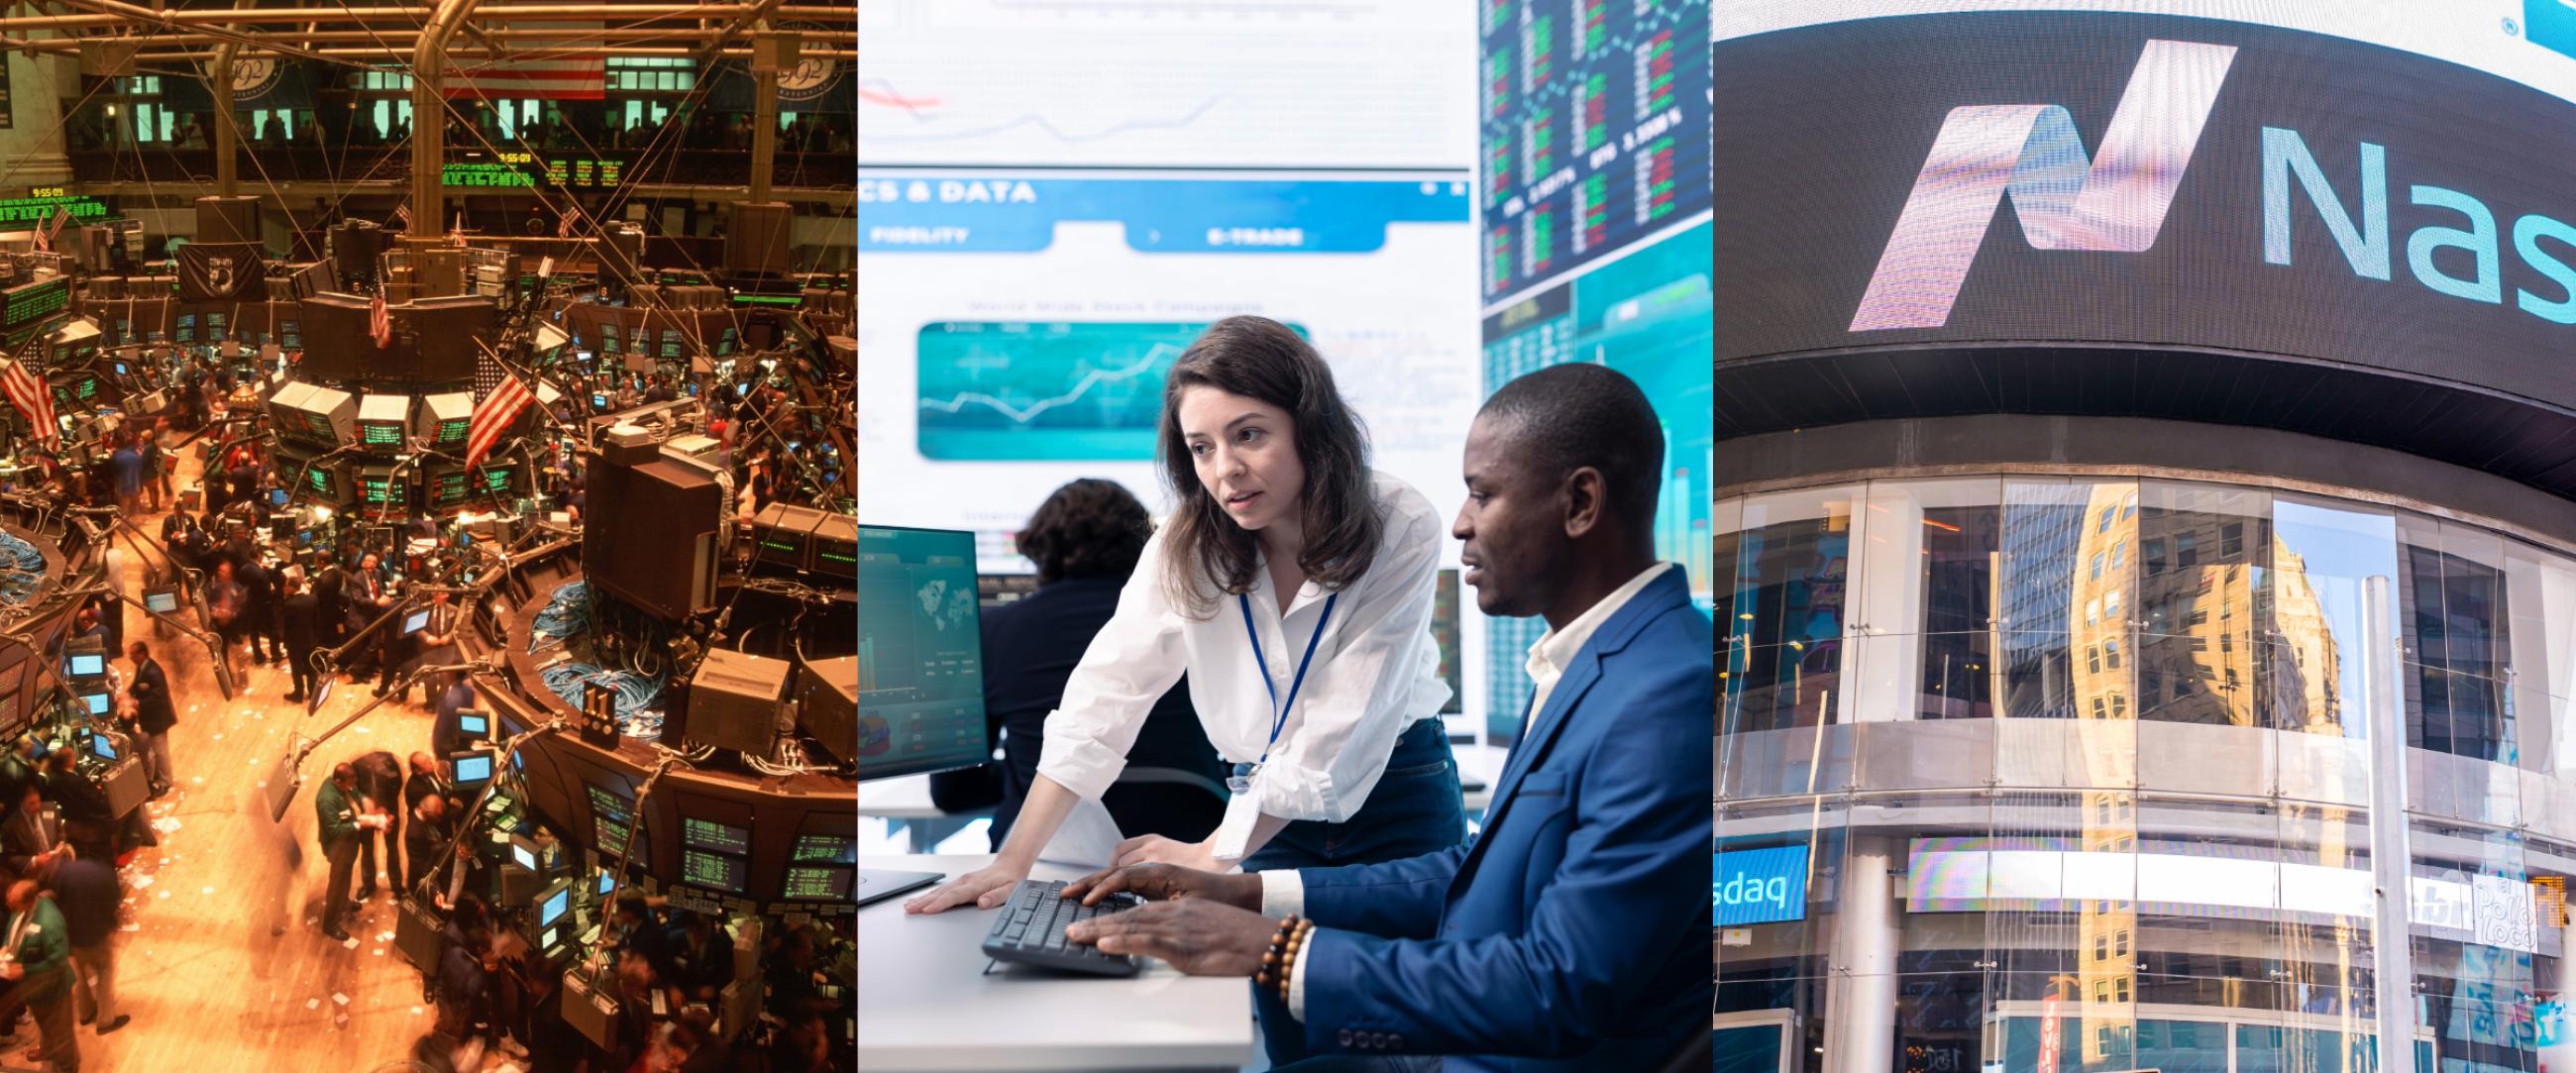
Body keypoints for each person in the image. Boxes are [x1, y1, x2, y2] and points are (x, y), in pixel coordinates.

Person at [1057, 364, 1709, 1071]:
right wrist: (1244, 890)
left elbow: (1560, 986)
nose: (1459, 522)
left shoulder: (1664, 694)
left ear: (1581, 502)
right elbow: (1478, 873)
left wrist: (1277, 947)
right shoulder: (1597, 661)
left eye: (1483, 494)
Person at [909, 316, 1464, 917]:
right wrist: (1009, 863)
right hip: (1260, 811)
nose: (1224, 468)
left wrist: (1211, 852)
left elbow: (1340, 732)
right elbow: (1103, 700)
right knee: (1277, 998)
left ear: (1311, 429)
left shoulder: (1398, 523)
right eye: (1202, 447)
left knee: (1415, 996)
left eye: (1249, 435)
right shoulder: (1186, 543)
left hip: (1395, 794)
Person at [965, 479, 1222, 849]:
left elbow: (954, 793)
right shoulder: (1197, 625)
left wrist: (1023, 771)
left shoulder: (990, 632)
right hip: (1189, 844)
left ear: (1039, 548)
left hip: (1043, 850)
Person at [35, 854, 121, 1035]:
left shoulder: (59, 880)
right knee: (104, 972)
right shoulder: (101, 871)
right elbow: (114, 900)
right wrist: (110, 924)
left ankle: (85, 1012)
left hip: (73, 937)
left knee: (81, 974)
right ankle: (105, 1020)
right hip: (96, 934)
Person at [1, 880, 77, 1071]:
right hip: (33, 989)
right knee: (45, 1025)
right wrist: (5, 946)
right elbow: (12, 929)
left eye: (12, 904)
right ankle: (48, 1050)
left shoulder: (49, 923)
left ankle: (69, 1067)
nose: (8, 907)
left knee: (62, 1035)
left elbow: (59, 962)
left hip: (53, 991)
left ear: (28, 902)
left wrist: (25, 970)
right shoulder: (21, 910)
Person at [315, 763, 386, 942]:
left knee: (345, 877)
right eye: (349, 782)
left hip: (348, 844)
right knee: (337, 883)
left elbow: (356, 794)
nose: (352, 785)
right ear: (338, 781)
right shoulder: (326, 800)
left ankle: (344, 903)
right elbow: (334, 830)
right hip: (338, 847)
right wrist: (358, 825)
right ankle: (330, 923)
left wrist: (366, 802)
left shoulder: (344, 785)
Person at [120, 643, 173, 798]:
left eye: (133, 654)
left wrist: (138, 703)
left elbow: (159, 696)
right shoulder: (143, 668)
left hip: (158, 719)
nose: (130, 658)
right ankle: (160, 776)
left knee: (160, 751)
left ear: (143, 654)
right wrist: (127, 694)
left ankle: (166, 781)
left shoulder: (153, 672)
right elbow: (137, 685)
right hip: (150, 719)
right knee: (155, 751)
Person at [352, 750, 405, 899]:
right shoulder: (357, 766)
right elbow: (353, 789)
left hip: (389, 813)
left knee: (392, 849)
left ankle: (396, 885)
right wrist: (365, 802)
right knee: (367, 849)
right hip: (368, 815)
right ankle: (368, 885)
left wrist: (385, 809)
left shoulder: (391, 766)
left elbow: (398, 786)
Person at [279, 573, 320, 704]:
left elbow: (286, 626)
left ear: (292, 587)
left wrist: (285, 642)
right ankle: (313, 691)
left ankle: (298, 694)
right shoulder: (312, 599)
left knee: (296, 669)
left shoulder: (290, 604)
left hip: (295, 643)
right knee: (311, 667)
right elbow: (316, 620)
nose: (285, 588)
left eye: (286, 586)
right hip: (310, 639)